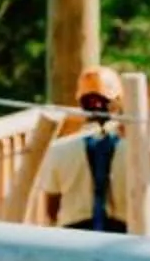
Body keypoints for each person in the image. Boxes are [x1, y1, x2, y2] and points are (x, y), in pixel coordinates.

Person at [40, 67, 139, 234]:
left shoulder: (58, 150)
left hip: (73, 235)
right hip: (121, 235)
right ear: (117, 102)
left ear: (81, 103)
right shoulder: (134, 153)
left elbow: (51, 210)